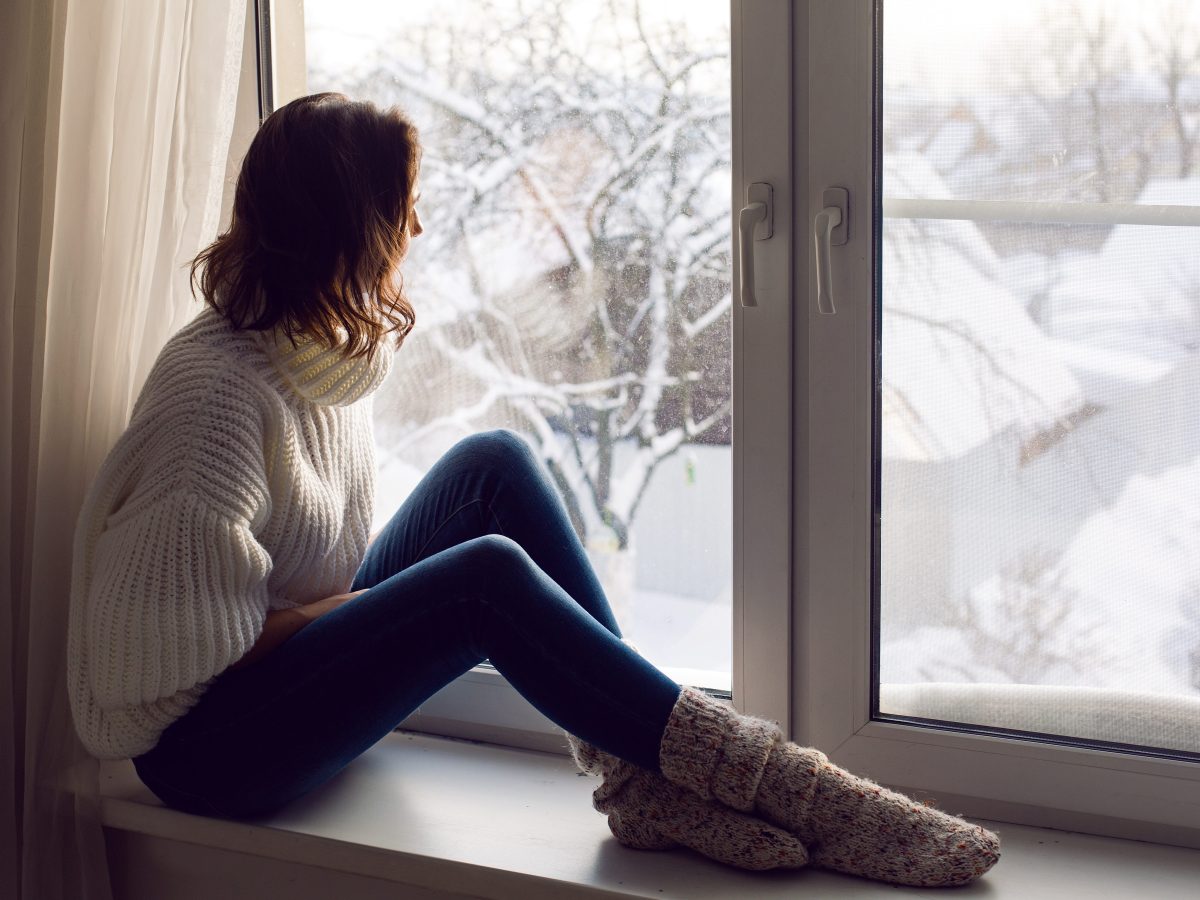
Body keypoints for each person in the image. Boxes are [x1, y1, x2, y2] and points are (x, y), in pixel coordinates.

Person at [67, 92, 999, 887]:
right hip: (210, 749)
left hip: (280, 675)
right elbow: (176, 676)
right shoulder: (216, 402)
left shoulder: (311, 355)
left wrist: (354, 611)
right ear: (346, 227)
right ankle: (789, 787)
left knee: (493, 465)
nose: (419, 232)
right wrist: (358, 612)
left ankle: (647, 783)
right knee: (484, 579)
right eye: (404, 210)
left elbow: (310, 586)